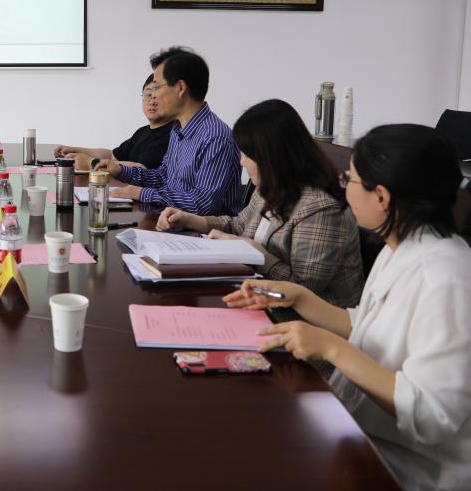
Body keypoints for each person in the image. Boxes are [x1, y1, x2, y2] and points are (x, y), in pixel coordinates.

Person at [225, 124, 471, 490]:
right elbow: (369, 326)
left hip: (405, 467)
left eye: (349, 179)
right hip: (359, 429)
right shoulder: (403, 246)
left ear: (382, 197)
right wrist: (299, 297)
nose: (344, 189)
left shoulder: (445, 280)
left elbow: (432, 413)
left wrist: (331, 348)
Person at [157, 99, 363, 309]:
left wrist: (259, 255)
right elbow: (238, 225)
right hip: (261, 299)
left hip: (304, 320)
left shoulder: (321, 209)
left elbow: (302, 291)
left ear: (271, 157)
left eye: (247, 155)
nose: (241, 162)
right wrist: (189, 220)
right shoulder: (271, 186)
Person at [94, 46, 244, 215]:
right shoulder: (178, 129)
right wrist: (121, 170)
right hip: (171, 219)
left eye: (157, 87)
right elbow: (163, 177)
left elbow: (203, 204)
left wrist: (141, 193)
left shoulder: (215, 136)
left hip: (204, 229)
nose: (153, 96)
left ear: (180, 88)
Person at [54, 74, 173, 170]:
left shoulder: (172, 134)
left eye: (158, 96)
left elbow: (142, 168)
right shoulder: (142, 132)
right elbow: (112, 156)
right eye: (148, 94)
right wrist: (74, 149)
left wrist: (91, 162)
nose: (152, 101)